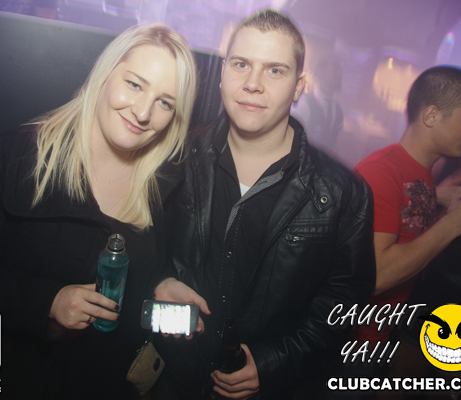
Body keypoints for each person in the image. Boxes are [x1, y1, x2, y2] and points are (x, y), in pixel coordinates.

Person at [0, 23, 197, 399]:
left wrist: (161, 283)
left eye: (165, 102)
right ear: (105, 74)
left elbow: (138, 274)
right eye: (134, 84)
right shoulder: (14, 158)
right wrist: (47, 303)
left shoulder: (163, 185)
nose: (143, 112)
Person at [153, 9, 376, 399]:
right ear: (222, 73)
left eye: (274, 70)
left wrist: (276, 362)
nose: (252, 84)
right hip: (170, 377)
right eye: (241, 64)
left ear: (299, 87)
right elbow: (136, 245)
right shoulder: (173, 158)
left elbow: (342, 307)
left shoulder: (343, 193)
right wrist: (156, 282)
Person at [350, 66, 461, 359]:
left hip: (381, 335)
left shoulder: (419, 172)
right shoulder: (381, 172)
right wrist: (454, 224)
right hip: (353, 344)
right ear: (431, 116)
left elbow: (403, 226)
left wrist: (436, 198)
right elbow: (376, 276)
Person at [291, 57, 344, 152]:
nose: (339, 74)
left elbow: (334, 142)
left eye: (340, 71)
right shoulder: (303, 104)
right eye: (334, 70)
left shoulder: (338, 111)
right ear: (320, 73)